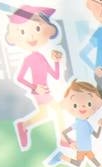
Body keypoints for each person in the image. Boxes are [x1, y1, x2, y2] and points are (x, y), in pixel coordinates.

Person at [6, 5, 65, 151]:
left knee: (45, 114)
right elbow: (19, 78)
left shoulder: (42, 57)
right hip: (39, 92)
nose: (31, 37)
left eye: (37, 29)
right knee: (57, 110)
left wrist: (57, 62)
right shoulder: (29, 59)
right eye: (23, 31)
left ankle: (24, 125)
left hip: (46, 90)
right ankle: (64, 139)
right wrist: (35, 87)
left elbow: (55, 75)